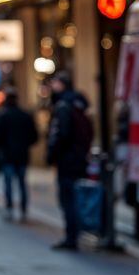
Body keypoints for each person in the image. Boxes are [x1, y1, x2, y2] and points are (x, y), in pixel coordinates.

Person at [48, 72, 93, 249]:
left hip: (67, 159)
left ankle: (71, 236)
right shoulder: (80, 104)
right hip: (79, 156)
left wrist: (52, 154)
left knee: (67, 197)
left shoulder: (63, 106)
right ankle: (76, 232)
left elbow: (61, 134)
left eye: (55, 84)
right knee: (74, 195)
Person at [0, 88, 38, 222]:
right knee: (21, 182)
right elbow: (34, 136)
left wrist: (0, 147)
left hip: (8, 155)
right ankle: (23, 209)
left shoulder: (3, 116)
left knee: (9, 183)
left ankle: (9, 208)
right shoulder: (25, 116)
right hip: (22, 154)